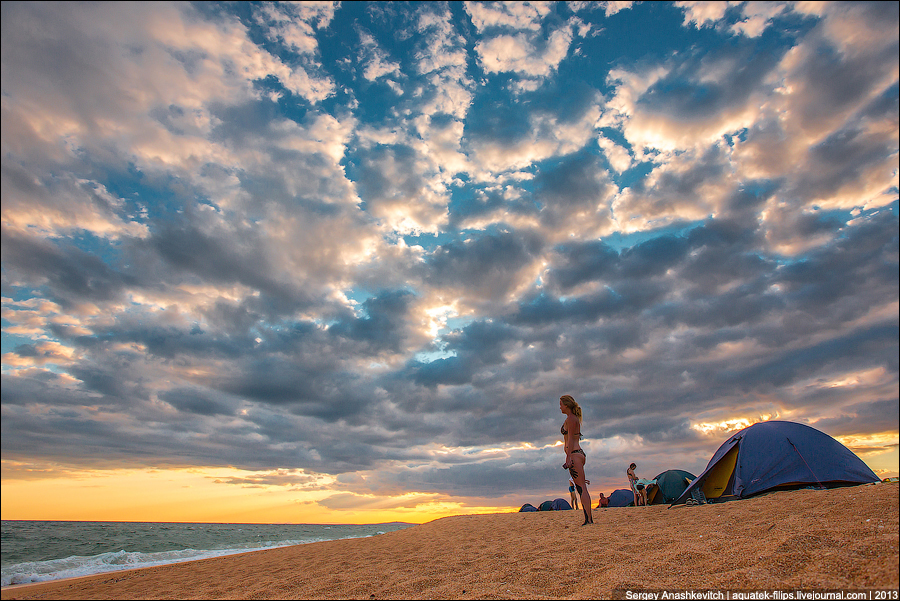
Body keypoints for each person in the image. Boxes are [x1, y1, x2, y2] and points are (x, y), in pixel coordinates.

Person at [560, 394, 593, 525]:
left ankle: (589, 520)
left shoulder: (571, 419)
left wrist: (568, 458)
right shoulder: (572, 419)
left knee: (581, 488)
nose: (560, 407)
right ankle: (588, 518)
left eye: (561, 404)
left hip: (574, 454)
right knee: (581, 487)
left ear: (566, 405)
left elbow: (572, 440)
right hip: (576, 454)